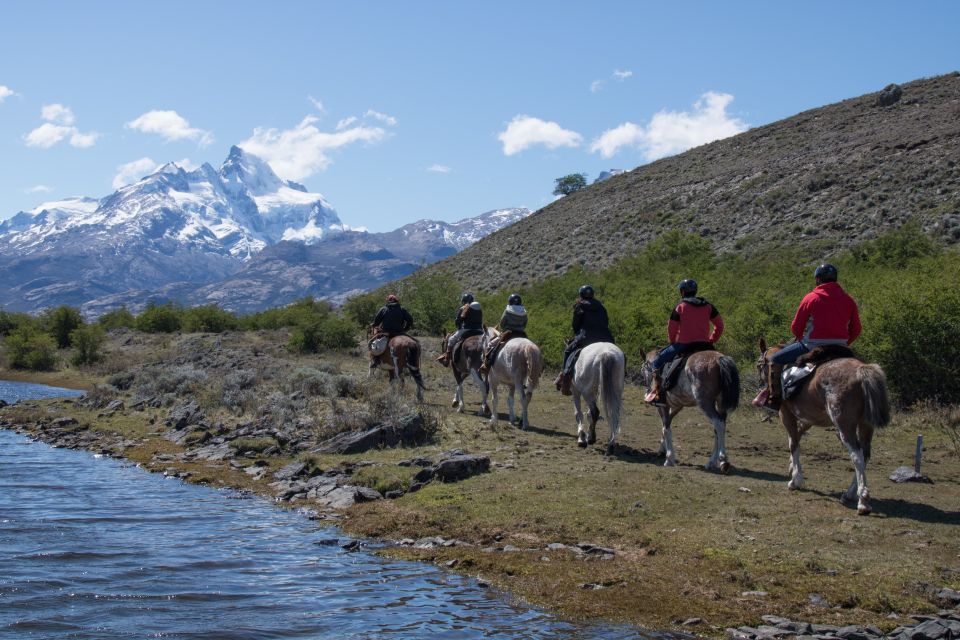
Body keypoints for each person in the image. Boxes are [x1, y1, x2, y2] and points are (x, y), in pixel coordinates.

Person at [763, 263, 861, 409]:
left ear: (818, 280)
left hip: (813, 345)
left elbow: (796, 327)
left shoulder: (811, 298)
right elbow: (857, 329)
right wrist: (845, 343)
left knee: (775, 359)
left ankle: (774, 400)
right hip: (840, 347)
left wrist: (800, 338)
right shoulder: (849, 300)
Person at [644, 279, 724, 406]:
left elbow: (672, 328)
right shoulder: (708, 306)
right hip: (705, 345)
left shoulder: (680, 307)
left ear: (682, 292)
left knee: (657, 362)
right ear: (695, 291)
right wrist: (711, 340)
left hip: (684, 344)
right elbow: (719, 326)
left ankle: (658, 394)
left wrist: (673, 342)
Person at [553, 285, 614, 393]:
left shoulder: (579, 306)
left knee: (568, 351)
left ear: (581, 295)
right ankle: (623, 372)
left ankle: (564, 375)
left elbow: (575, 325)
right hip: (606, 337)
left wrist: (577, 333)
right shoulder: (600, 306)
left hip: (586, 338)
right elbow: (606, 322)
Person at [480, 294, 528, 375]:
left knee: (490, 345)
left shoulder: (508, 310)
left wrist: (504, 329)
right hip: (521, 334)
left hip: (508, 333)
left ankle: (486, 365)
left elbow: (502, 323)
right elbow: (525, 323)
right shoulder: (524, 311)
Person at [436, 292, 484, 366]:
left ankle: (446, 358)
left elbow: (458, 321)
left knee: (451, 340)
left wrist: (459, 327)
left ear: (464, 301)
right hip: (479, 330)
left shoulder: (464, 308)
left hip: (467, 329)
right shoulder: (479, 308)